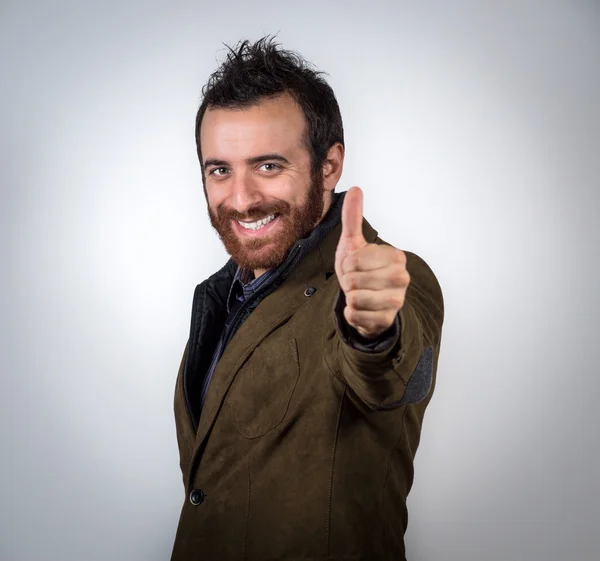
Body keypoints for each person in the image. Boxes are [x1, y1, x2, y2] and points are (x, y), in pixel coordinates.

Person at [171, 37, 444, 561]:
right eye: (220, 169)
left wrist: (374, 330)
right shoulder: (223, 291)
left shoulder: (388, 280)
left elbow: (390, 374)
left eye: (269, 166)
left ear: (329, 165)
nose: (242, 197)